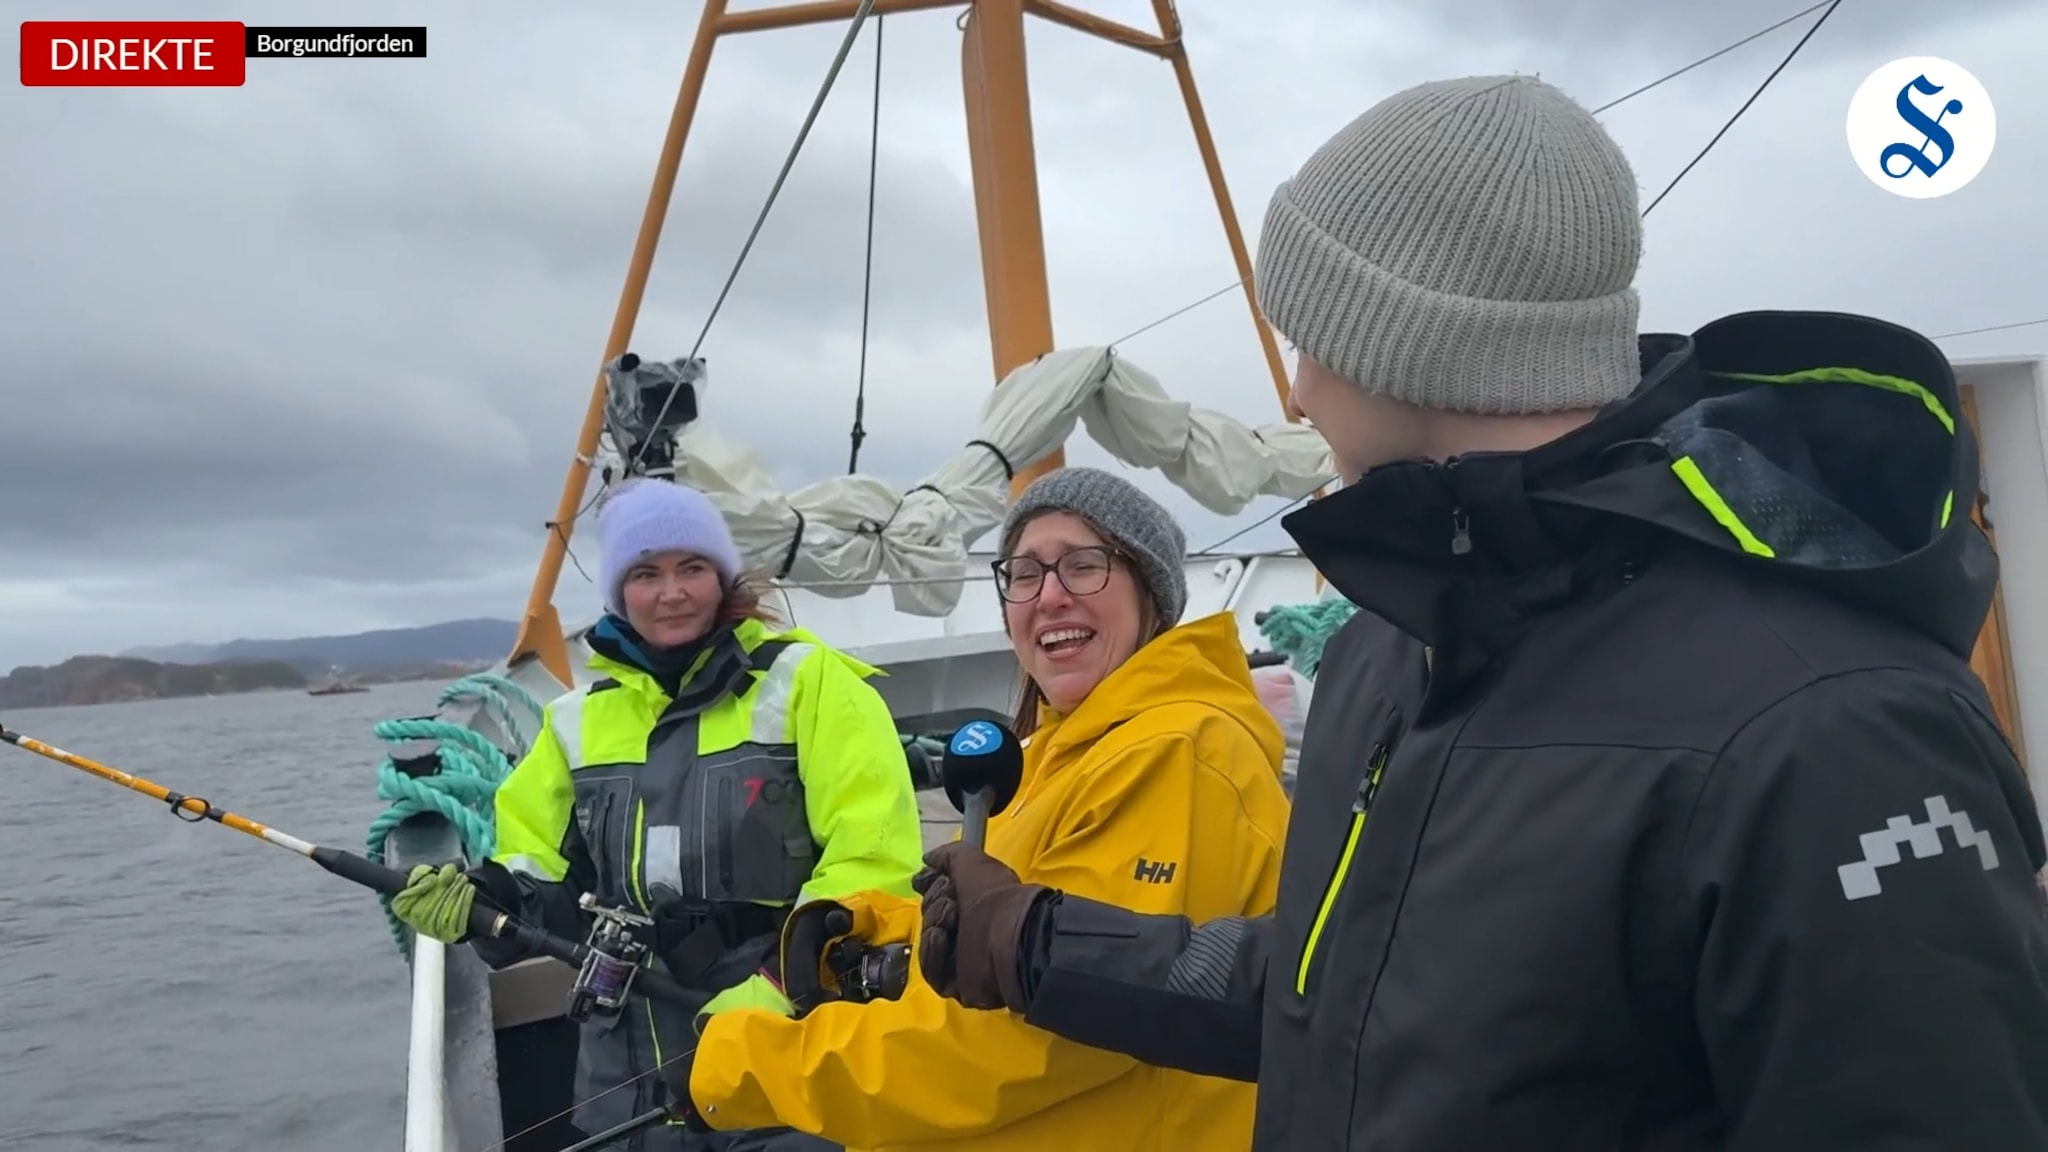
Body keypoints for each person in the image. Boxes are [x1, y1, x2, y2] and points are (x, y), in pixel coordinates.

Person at [911, 74, 2048, 1150]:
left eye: (1311, 341)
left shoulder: (1834, 727)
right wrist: (1035, 941)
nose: (1295, 389)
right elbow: (1345, 1001)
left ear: (1409, 343)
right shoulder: (1388, 653)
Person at [656, 467, 1293, 1151]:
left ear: (1151, 594)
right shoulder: (1063, 752)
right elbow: (1025, 938)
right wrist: (874, 926)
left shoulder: (1174, 754)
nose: (1049, 596)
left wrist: (748, 1066)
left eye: (1084, 565)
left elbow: (1044, 1032)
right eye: (1024, 574)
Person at [391, 477, 925, 1151]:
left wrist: (783, 979)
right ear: (619, 592)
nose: (671, 592)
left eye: (692, 568)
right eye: (646, 574)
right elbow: (538, 871)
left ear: (723, 578)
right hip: (622, 1075)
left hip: (785, 1045)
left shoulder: (810, 685)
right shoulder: (574, 722)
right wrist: (486, 898)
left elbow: (874, 859)